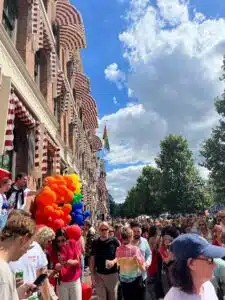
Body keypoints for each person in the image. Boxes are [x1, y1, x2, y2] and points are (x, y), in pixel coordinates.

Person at [165, 233, 225, 300]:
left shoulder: (208, 286)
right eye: (210, 259)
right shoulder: (174, 297)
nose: (214, 265)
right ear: (191, 263)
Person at [0, 210, 36, 299]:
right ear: (24, 240)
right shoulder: (4, 273)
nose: (26, 251)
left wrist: (16, 294)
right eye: (29, 245)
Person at [48, 228, 82, 300]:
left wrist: (72, 262)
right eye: (58, 241)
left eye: (63, 240)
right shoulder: (54, 248)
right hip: (62, 282)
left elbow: (78, 260)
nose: (60, 243)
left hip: (74, 281)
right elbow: (52, 268)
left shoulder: (72, 243)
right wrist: (56, 268)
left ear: (66, 238)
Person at [90, 221, 120, 300]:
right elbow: (92, 258)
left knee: (112, 297)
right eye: (101, 229)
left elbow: (120, 256)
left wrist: (113, 262)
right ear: (98, 230)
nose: (104, 231)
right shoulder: (95, 242)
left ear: (108, 230)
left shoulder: (114, 241)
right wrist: (92, 274)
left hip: (112, 275)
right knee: (101, 297)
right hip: (99, 275)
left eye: (105, 229)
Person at [115, 226, 145, 300]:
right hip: (136, 280)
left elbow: (118, 264)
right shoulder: (135, 249)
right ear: (131, 237)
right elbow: (142, 268)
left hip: (124, 281)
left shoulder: (118, 250)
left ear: (121, 237)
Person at [130, 221, 152, 300]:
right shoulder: (127, 243)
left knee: (142, 297)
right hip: (130, 277)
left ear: (141, 231)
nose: (136, 233)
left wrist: (147, 263)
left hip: (143, 276)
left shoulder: (145, 241)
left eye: (138, 231)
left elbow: (149, 254)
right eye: (134, 231)